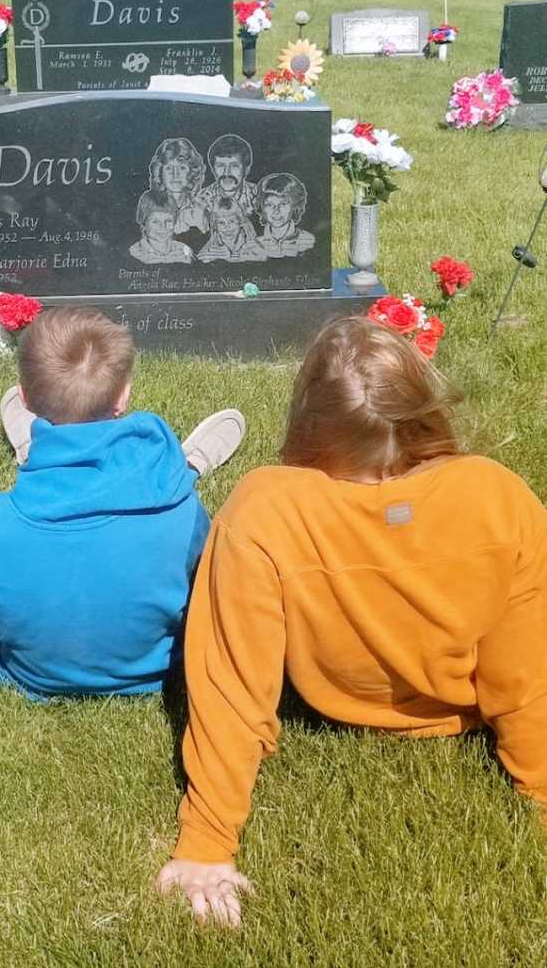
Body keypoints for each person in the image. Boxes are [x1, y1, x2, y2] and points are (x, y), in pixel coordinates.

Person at [157, 317, 547, 927]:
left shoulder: (265, 508)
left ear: (309, 419)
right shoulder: (498, 495)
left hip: (334, 704)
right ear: (423, 408)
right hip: (462, 712)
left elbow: (233, 684)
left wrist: (208, 842)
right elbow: (526, 671)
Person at [0, 306, 245, 699]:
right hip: (155, 668)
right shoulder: (185, 513)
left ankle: (35, 450)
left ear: (25, 398)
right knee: (175, 498)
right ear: (123, 396)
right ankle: (184, 468)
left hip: (32, 676)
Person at [181, 135, 257, 234]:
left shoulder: (259, 197)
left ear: (246, 170)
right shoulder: (200, 201)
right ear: (213, 169)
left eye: (234, 166)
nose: (227, 173)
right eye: (221, 166)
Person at [147, 137, 206, 233]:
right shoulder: (149, 209)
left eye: (182, 168)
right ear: (159, 172)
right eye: (169, 168)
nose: (175, 174)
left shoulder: (200, 211)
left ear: (192, 172)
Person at [255, 172, 315, 257]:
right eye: (270, 205)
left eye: (283, 204)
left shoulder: (309, 241)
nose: (276, 211)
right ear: (261, 207)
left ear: (295, 205)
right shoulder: (254, 245)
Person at [129, 190, 193, 264]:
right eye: (155, 222)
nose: (163, 227)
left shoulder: (184, 251)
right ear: (144, 224)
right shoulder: (134, 253)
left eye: (168, 221)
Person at [197, 197, 264, 263]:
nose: (227, 227)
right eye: (221, 223)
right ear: (215, 226)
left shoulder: (254, 248)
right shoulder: (207, 253)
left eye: (232, 221)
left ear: (240, 222)